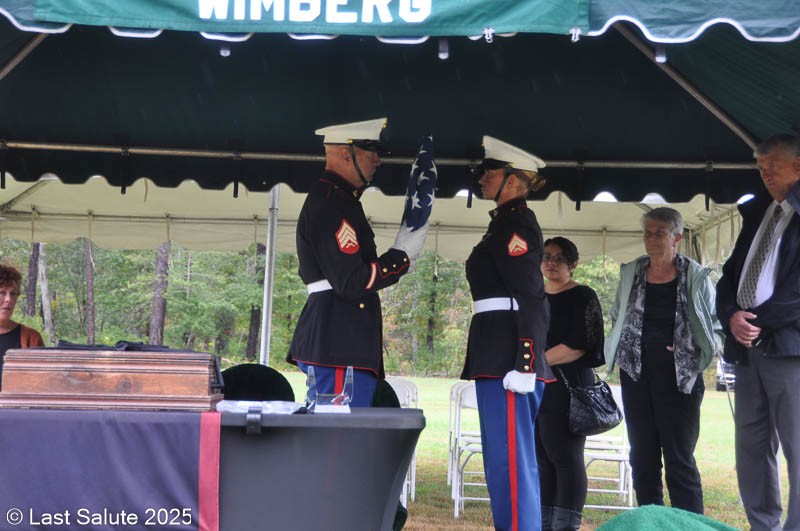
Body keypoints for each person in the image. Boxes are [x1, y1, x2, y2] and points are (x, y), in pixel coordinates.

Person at [286, 118, 428, 407]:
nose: (377, 160)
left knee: (344, 431)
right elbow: (350, 282)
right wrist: (399, 259)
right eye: (369, 151)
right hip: (338, 341)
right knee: (338, 433)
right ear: (344, 154)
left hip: (340, 340)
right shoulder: (332, 203)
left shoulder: (341, 200)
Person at [461, 136, 554, 531]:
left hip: (509, 361)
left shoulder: (516, 225)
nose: (482, 179)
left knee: (511, 463)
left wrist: (526, 362)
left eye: (490, 172)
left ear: (513, 180)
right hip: (495, 355)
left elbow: (531, 297)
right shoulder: (503, 223)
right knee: (502, 462)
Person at [604, 207, 722, 514]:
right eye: (647, 233)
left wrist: (693, 352)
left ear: (677, 237)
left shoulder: (695, 275)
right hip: (636, 372)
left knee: (679, 457)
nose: (652, 239)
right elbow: (617, 314)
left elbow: (716, 325)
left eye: (659, 233)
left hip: (680, 376)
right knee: (642, 455)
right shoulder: (632, 272)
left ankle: (688, 523)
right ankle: (650, 520)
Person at [715, 133, 800, 531]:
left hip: (789, 349)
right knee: (751, 444)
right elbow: (728, 277)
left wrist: (755, 321)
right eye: (761, 168)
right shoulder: (759, 213)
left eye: (773, 167)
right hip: (748, 349)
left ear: (798, 166)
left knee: (797, 447)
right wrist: (731, 314)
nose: (765, 174)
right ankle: (763, 525)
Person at [535, 237, 604, 531]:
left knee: (565, 458)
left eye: (559, 258)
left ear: (573, 264)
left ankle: (565, 526)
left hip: (568, 387)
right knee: (542, 458)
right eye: (546, 256)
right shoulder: (535, 295)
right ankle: (544, 524)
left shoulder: (583, 296)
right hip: (537, 385)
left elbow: (580, 345)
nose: (551, 263)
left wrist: (533, 362)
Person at [0, 264, 44, 388]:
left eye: (13, 294)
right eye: (2, 292)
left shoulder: (31, 338)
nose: (8, 299)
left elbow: (42, 384)